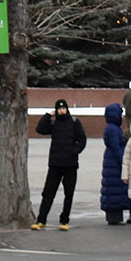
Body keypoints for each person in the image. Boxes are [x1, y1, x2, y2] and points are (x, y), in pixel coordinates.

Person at [33, 98, 86, 230]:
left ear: (67, 109)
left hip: (70, 164)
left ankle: (64, 220)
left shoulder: (74, 122)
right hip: (55, 164)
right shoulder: (53, 122)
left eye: (63, 108)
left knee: (69, 193)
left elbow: (82, 139)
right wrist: (47, 115)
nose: (61, 111)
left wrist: (75, 151)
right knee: (48, 192)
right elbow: (40, 129)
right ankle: (41, 220)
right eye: (59, 109)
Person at [100, 103, 131, 225]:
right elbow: (115, 147)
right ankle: (115, 217)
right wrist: (123, 161)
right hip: (114, 162)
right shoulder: (113, 129)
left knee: (112, 188)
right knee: (115, 188)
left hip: (110, 161)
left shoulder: (111, 127)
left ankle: (114, 216)